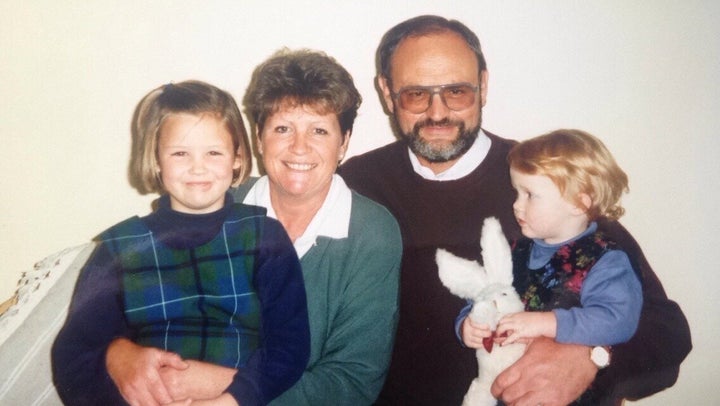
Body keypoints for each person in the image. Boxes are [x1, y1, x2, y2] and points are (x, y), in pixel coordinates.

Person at [338, 15, 691, 406]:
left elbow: (667, 331)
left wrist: (593, 358)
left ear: (483, 86)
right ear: (388, 93)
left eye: (457, 92)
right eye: (415, 94)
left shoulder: (547, 179)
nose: (437, 113)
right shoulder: (354, 185)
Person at [104, 50, 403, 406]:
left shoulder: (371, 232)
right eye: (282, 128)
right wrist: (118, 353)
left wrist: (224, 387)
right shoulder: (215, 202)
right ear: (258, 139)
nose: (299, 147)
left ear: (344, 142)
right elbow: (136, 296)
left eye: (319, 130)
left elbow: (350, 384)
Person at [52, 80, 310, 406]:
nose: (197, 167)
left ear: (237, 158)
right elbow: (74, 356)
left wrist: (233, 400)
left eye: (214, 152)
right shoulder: (119, 249)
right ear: (157, 160)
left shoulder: (265, 238)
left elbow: (289, 348)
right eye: (180, 153)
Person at [457, 129, 643, 404]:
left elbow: (619, 320)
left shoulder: (605, 259)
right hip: (509, 389)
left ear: (579, 202)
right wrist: (467, 323)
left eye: (530, 195)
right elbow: (487, 294)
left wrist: (546, 323)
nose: (516, 206)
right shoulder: (516, 248)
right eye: (517, 192)